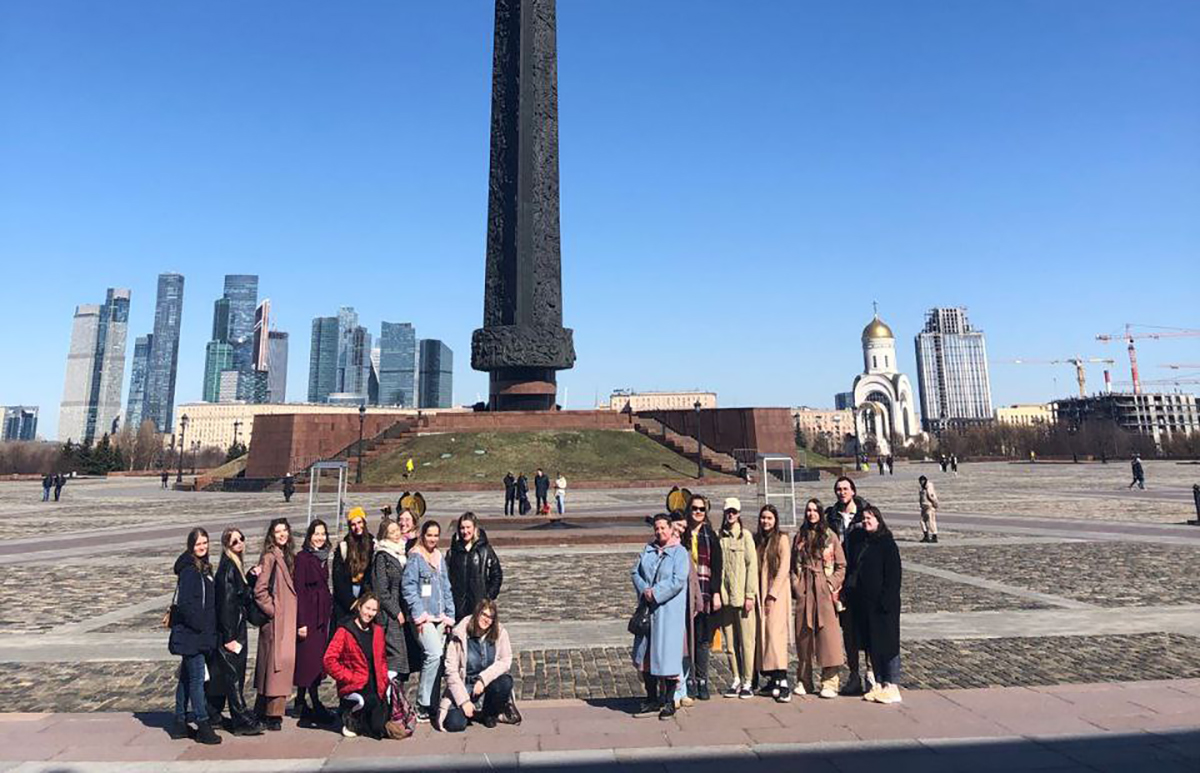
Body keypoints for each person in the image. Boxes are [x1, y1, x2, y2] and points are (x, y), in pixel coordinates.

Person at [323, 592, 409, 740]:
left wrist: (384, 681)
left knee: (380, 725)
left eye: (374, 610)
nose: (369, 613)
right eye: (367, 608)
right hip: (356, 683)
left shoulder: (377, 631)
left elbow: (382, 660)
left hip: (375, 684)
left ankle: (363, 721)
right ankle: (350, 717)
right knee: (375, 727)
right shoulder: (345, 631)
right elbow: (329, 660)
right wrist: (349, 677)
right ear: (359, 606)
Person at [631, 513, 690, 720]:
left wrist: (655, 592)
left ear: (671, 529)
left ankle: (669, 700)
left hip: (668, 614)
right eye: (656, 528)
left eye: (663, 527)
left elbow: (678, 580)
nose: (659, 531)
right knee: (646, 657)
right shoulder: (648, 550)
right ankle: (652, 698)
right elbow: (635, 572)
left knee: (668, 658)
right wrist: (644, 589)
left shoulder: (680, 553)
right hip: (649, 614)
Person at [207, 527, 264, 736]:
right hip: (232, 631)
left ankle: (213, 714)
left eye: (241, 539)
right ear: (226, 546)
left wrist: (250, 577)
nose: (240, 543)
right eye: (234, 542)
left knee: (225, 675)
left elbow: (240, 593)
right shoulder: (228, 569)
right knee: (234, 676)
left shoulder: (235, 565)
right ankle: (240, 719)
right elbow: (226, 605)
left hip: (235, 628)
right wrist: (229, 637)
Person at [168, 527, 221, 744]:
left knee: (186, 678)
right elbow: (186, 605)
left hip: (198, 633)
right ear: (191, 546)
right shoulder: (190, 571)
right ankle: (202, 722)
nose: (202, 547)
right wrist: (201, 625)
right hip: (193, 635)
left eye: (205, 543)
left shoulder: (204, 567)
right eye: (198, 543)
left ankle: (180, 722)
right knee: (197, 680)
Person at [846, 506, 903, 704]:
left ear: (878, 520)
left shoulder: (887, 543)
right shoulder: (862, 541)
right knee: (873, 645)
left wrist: (886, 601)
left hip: (884, 606)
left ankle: (892, 685)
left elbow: (894, 576)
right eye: (864, 518)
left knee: (888, 646)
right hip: (866, 605)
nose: (866, 521)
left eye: (870, 518)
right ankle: (878, 683)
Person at [402, 519, 455, 723]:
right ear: (422, 535)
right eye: (429, 535)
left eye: (435, 535)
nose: (432, 539)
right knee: (433, 654)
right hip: (423, 618)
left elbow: (446, 587)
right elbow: (408, 587)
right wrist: (419, 615)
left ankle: (432, 703)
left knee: (437, 660)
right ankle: (422, 703)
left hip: (439, 616)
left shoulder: (439, 556)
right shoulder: (416, 557)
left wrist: (449, 615)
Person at [438, 599, 519, 732]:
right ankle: (472, 712)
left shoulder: (499, 632)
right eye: (484, 614)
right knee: (455, 724)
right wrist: (464, 701)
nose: (486, 620)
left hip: (487, 686)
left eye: (490, 617)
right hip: (464, 686)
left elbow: (505, 660)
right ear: (477, 613)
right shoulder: (460, 634)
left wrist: (483, 679)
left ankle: (489, 714)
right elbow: (450, 671)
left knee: (505, 682)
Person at [792, 499, 845, 699]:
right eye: (808, 510)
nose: (811, 513)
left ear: (821, 513)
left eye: (815, 510)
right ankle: (804, 680)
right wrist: (796, 586)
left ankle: (830, 680)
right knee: (803, 635)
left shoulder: (830, 536)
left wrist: (830, 584)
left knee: (828, 636)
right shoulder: (800, 536)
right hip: (805, 588)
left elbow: (841, 565)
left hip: (824, 589)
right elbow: (793, 566)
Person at [826, 476, 871, 695]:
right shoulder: (831, 516)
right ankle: (854, 675)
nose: (841, 492)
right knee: (849, 630)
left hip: (862, 578)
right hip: (841, 579)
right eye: (838, 489)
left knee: (868, 627)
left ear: (853, 491)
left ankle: (871, 673)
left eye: (845, 489)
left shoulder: (865, 513)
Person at [253, 518, 299, 730]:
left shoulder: (286, 555)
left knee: (276, 666)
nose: (282, 534)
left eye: (285, 530)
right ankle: (273, 714)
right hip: (277, 621)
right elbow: (260, 590)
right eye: (278, 531)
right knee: (275, 667)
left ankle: (263, 709)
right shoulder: (270, 556)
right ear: (272, 535)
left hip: (285, 619)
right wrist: (273, 610)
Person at [682, 494, 723, 700]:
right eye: (694, 508)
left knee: (703, 639)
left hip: (705, 591)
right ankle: (689, 680)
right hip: (685, 592)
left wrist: (716, 592)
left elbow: (717, 566)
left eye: (701, 509)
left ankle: (702, 680)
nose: (698, 512)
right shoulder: (682, 533)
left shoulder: (710, 535)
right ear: (689, 510)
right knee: (687, 638)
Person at [293, 519, 334, 725]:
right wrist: (300, 622)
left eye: (323, 534)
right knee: (309, 660)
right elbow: (299, 591)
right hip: (309, 615)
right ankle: (315, 702)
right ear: (309, 536)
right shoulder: (302, 558)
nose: (320, 538)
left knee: (314, 659)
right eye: (316, 534)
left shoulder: (323, 557)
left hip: (321, 615)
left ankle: (301, 702)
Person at [717, 497, 757, 699]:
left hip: (743, 598)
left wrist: (750, 595)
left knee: (747, 642)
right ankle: (736, 678)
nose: (731, 514)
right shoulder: (720, 537)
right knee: (730, 644)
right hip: (726, 598)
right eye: (728, 511)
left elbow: (752, 566)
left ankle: (748, 680)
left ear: (739, 513)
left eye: (734, 511)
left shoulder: (745, 536)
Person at [372, 517, 418, 689]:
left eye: (397, 530)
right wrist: (396, 611)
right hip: (390, 614)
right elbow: (381, 590)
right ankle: (390, 696)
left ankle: (397, 697)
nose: (396, 534)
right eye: (391, 532)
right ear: (385, 535)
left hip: (404, 610)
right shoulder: (382, 555)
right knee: (396, 657)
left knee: (404, 658)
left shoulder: (401, 552)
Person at [756, 504, 792, 702]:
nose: (766, 521)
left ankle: (783, 680)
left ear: (775, 520)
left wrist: (772, 594)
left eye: (769, 518)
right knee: (766, 636)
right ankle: (772, 678)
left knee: (776, 635)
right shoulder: (760, 540)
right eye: (763, 517)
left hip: (776, 594)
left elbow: (785, 567)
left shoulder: (782, 539)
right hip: (762, 592)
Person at [448, 513, 503, 624]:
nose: (465, 531)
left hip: (480, 606)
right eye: (462, 528)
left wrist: (488, 596)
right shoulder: (453, 551)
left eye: (468, 527)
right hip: (459, 607)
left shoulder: (485, 550)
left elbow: (496, 574)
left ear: (474, 528)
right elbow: (447, 577)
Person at [333, 507, 374, 623]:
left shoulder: (372, 544)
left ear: (364, 522)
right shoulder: (344, 546)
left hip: (365, 593)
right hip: (347, 595)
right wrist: (351, 602)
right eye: (353, 524)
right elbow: (338, 577)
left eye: (359, 522)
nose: (357, 527)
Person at [918, 475, 939, 544]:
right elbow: (921, 497)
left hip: (930, 507)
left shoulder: (929, 487)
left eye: (922, 481)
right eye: (920, 481)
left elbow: (932, 496)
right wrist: (920, 505)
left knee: (931, 521)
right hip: (924, 507)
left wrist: (935, 503)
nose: (921, 482)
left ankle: (934, 536)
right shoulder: (921, 488)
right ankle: (926, 535)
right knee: (922, 521)